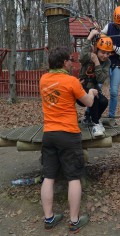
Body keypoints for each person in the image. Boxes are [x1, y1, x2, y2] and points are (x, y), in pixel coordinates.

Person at [39, 46, 98, 233]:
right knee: (73, 178)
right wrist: (92, 93)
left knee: (48, 177)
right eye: (70, 60)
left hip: (49, 134)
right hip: (68, 134)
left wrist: (75, 85)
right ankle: (74, 221)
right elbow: (87, 103)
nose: (72, 63)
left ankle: (48, 218)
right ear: (64, 62)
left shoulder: (43, 79)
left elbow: (60, 92)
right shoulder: (71, 81)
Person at [78, 29, 113, 137]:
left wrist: (97, 62)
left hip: (94, 87)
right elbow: (81, 57)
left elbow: (101, 79)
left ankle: (89, 117)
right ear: (97, 50)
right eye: (103, 52)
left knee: (103, 101)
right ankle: (96, 124)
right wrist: (90, 37)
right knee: (94, 100)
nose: (105, 56)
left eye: (108, 53)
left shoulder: (107, 62)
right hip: (81, 88)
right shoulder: (89, 56)